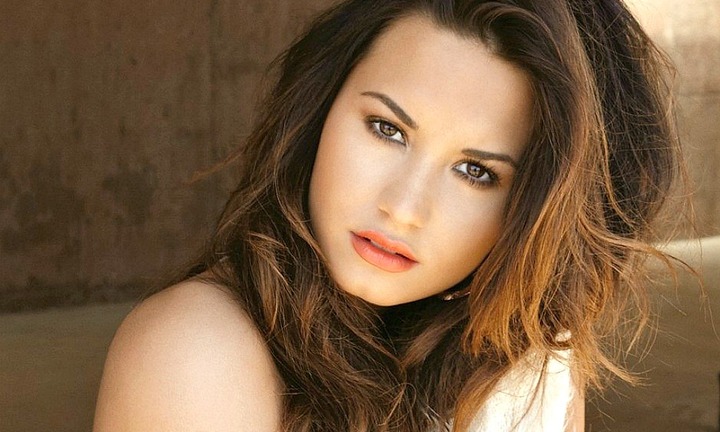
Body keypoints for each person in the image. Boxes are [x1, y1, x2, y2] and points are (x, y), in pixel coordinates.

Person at [93, 0, 684, 431]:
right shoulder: (196, 351)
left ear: (535, 209)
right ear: (319, 110)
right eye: (387, 129)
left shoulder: (529, 369)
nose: (402, 208)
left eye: (476, 171)